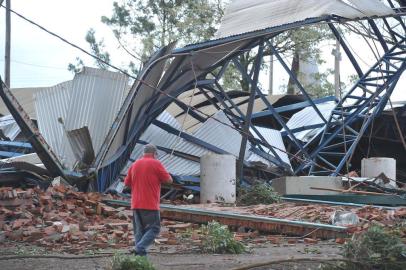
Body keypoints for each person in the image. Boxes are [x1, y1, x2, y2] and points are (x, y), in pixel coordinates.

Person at [124, 144, 173, 256]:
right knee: (154, 229)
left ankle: (140, 260)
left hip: (136, 204)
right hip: (150, 204)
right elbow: (169, 180)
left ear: (143, 153)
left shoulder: (135, 164)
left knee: (139, 232)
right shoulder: (156, 163)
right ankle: (139, 247)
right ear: (154, 154)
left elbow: (127, 183)